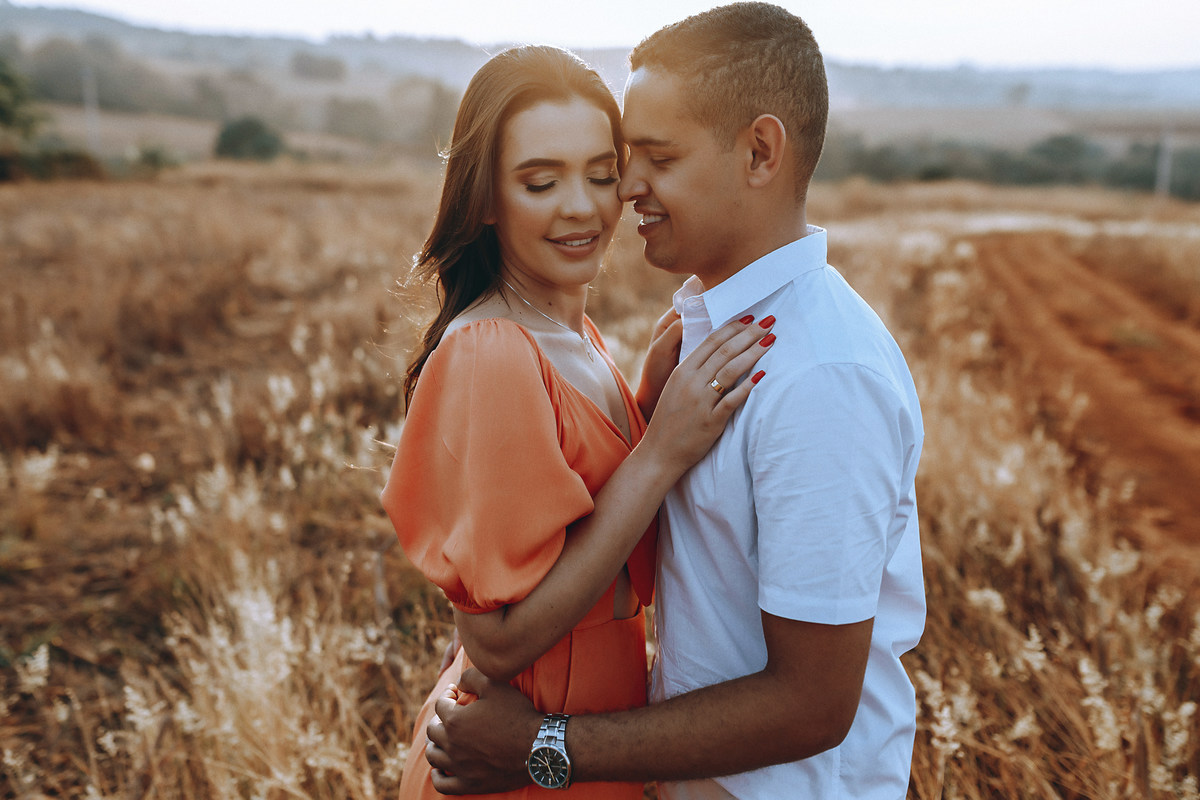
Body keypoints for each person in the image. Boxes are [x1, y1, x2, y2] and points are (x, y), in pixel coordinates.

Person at [425, 5, 926, 799]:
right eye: (628, 159)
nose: (626, 190)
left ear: (760, 152)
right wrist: (648, 424)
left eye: (656, 158)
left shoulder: (820, 375)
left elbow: (812, 705)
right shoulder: (707, 343)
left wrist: (544, 746)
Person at [380, 44, 776, 800]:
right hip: (518, 756)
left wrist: (645, 403)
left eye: (600, 174)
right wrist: (660, 450)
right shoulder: (494, 351)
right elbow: (497, 643)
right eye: (541, 181)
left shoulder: (572, 335)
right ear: (486, 198)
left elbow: (575, 518)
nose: (582, 207)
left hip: (578, 737)